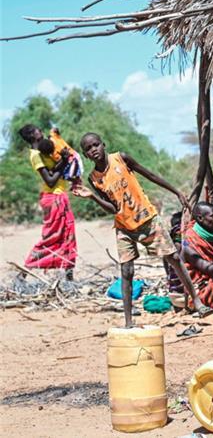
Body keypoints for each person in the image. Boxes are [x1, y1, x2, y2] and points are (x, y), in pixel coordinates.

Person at [73, 132, 206, 327]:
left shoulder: (121, 159)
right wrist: (92, 197)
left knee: (174, 258)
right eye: (88, 149)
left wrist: (176, 191)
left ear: (103, 144)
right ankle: (128, 322)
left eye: (95, 145)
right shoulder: (94, 179)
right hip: (124, 226)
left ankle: (198, 302)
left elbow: (150, 175)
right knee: (126, 270)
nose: (94, 150)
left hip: (147, 219)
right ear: (85, 155)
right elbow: (113, 208)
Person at [18, 124, 78, 276]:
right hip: (53, 197)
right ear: (32, 135)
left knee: (67, 235)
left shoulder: (44, 152)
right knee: (52, 237)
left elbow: (54, 170)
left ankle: (69, 275)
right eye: (38, 130)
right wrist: (64, 162)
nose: (41, 131)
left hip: (57, 196)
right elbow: (50, 180)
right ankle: (26, 269)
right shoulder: (35, 155)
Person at [180, 201, 213, 317]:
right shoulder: (189, 242)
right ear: (200, 218)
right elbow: (210, 269)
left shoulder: (210, 235)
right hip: (201, 291)